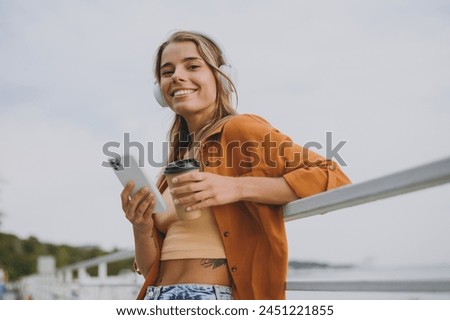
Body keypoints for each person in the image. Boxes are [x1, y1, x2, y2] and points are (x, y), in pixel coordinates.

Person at [120, 30, 351, 300]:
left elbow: (332, 176)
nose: (177, 76)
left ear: (219, 77)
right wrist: (141, 226)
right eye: (167, 71)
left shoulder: (239, 129)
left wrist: (236, 187)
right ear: (160, 90)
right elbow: (150, 270)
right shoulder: (174, 165)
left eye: (192, 66)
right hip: (156, 297)